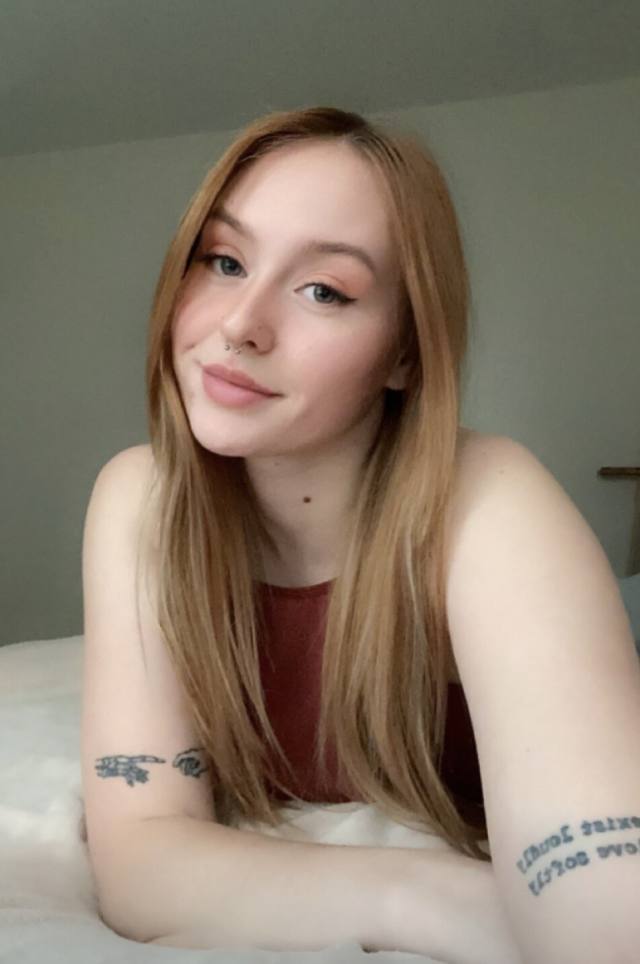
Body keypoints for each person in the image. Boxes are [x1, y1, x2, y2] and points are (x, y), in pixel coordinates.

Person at [81, 106, 640, 962]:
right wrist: (426, 897)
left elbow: (605, 905)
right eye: (225, 261)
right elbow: (141, 855)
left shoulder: (489, 500)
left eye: (325, 291)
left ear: (405, 354)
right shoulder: (142, 499)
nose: (240, 324)